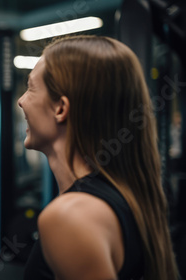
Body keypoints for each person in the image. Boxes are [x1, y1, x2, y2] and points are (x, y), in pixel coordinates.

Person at [18, 35, 179, 280]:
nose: (21, 101)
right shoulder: (124, 199)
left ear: (61, 108)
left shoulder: (71, 215)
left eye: (30, 87)